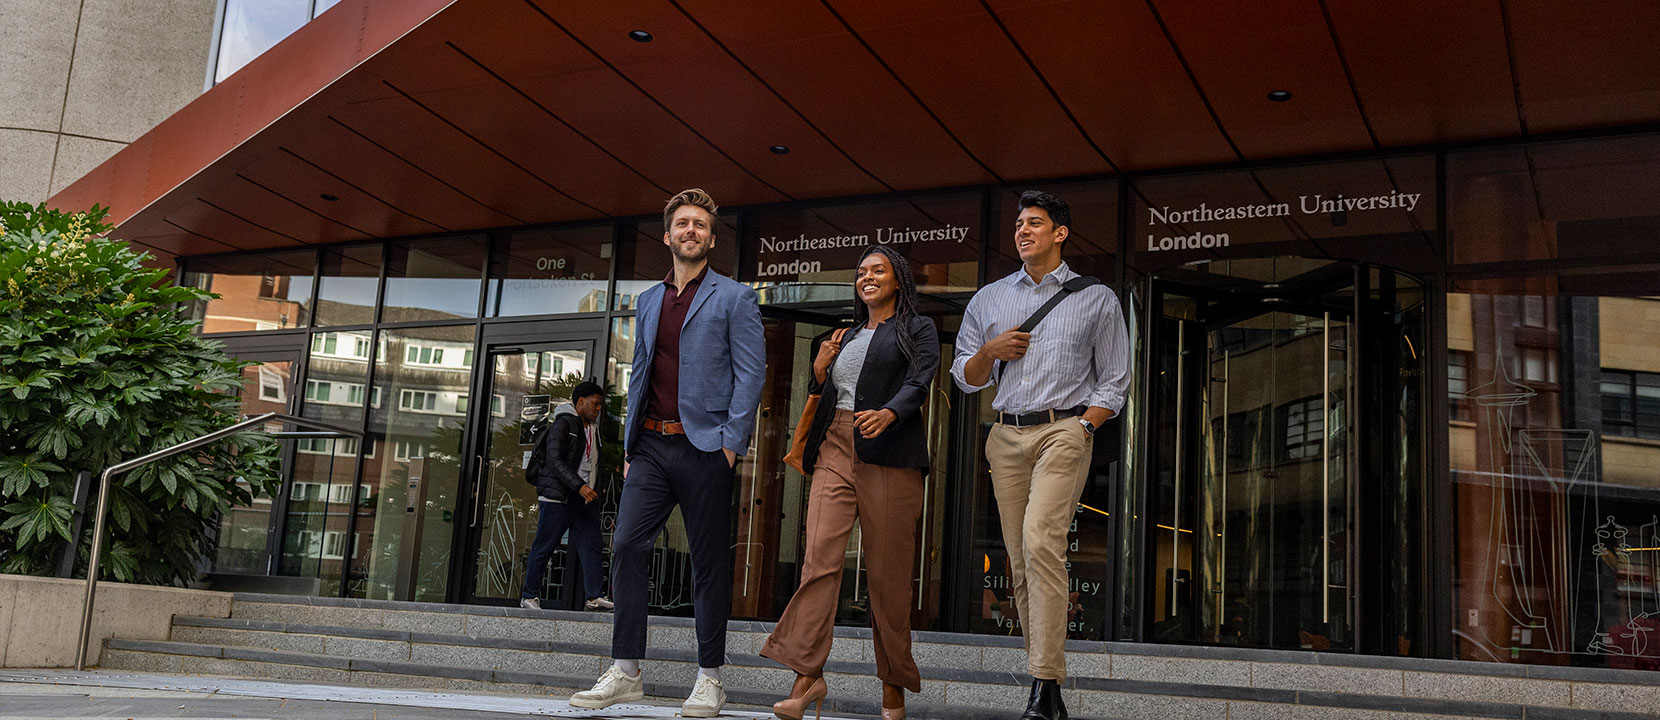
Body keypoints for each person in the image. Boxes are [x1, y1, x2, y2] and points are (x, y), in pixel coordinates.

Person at [570, 189, 765, 718]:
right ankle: (627, 670)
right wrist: (630, 444)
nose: (691, 231)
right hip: (652, 447)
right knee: (628, 545)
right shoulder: (650, 299)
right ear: (668, 235)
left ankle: (710, 679)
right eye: (682, 223)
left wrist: (731, 444)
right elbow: (638, 373)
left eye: (700, 224)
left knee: (707, 566)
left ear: (711, 238)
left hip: (705, 448)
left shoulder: (734, 297)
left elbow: (752, 375)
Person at [951, 191, 1130, 720]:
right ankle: (1044, 684)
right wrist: (990, 352)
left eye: (1036, 223)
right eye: (1019, 225)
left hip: (1062, 432)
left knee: (1040, 542)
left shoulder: (1096, 298)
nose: (1023, 231)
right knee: (1021, 560)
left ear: (1060, 233)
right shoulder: (988, 298)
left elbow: (1115, 380)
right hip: (1005, 436)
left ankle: (1044, 685)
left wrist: (1083, 426)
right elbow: (965, 375)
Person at [761, 246, 940, 720]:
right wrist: (820, 372)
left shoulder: (915, 329)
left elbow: (921, 379)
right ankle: (806, 676)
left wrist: (890, 412)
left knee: (888, 576)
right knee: (818, 561)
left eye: (878, 270)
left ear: (898, 279)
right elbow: (827, 395)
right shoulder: (843, 334)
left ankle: (893, 684)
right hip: (835, 447)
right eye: (861, 272)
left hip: (890, 452)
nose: (867, 277)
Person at [519, 380, 611, 612]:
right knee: (545, 545)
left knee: (592, 546)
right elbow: (555, 461)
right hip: (558, 497)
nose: (598, 409)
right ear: (580, 402)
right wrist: (579, 486)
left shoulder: (593, 429)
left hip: (584, 498)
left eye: (601, 405)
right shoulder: (564, 425)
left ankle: (593, 597)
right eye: (595, 404)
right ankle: (529, 596)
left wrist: (593, 489)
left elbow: (593, 463)